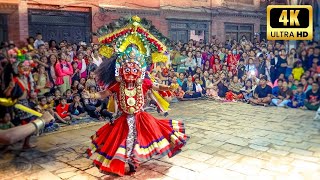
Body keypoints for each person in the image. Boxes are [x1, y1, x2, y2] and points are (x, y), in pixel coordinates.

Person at [83, 43, 187, 176]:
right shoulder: (117, 85)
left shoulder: (144, 83)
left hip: (140, 117)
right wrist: (91, 95)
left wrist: (169, 88)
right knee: (124, 140)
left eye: (134, 69)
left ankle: (131, 160)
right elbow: (104, 94)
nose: (131, 73)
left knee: (147, 136)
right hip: (124, 118)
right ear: (121, 70)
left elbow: (157, 86)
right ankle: (128, 161)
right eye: (127, 69)